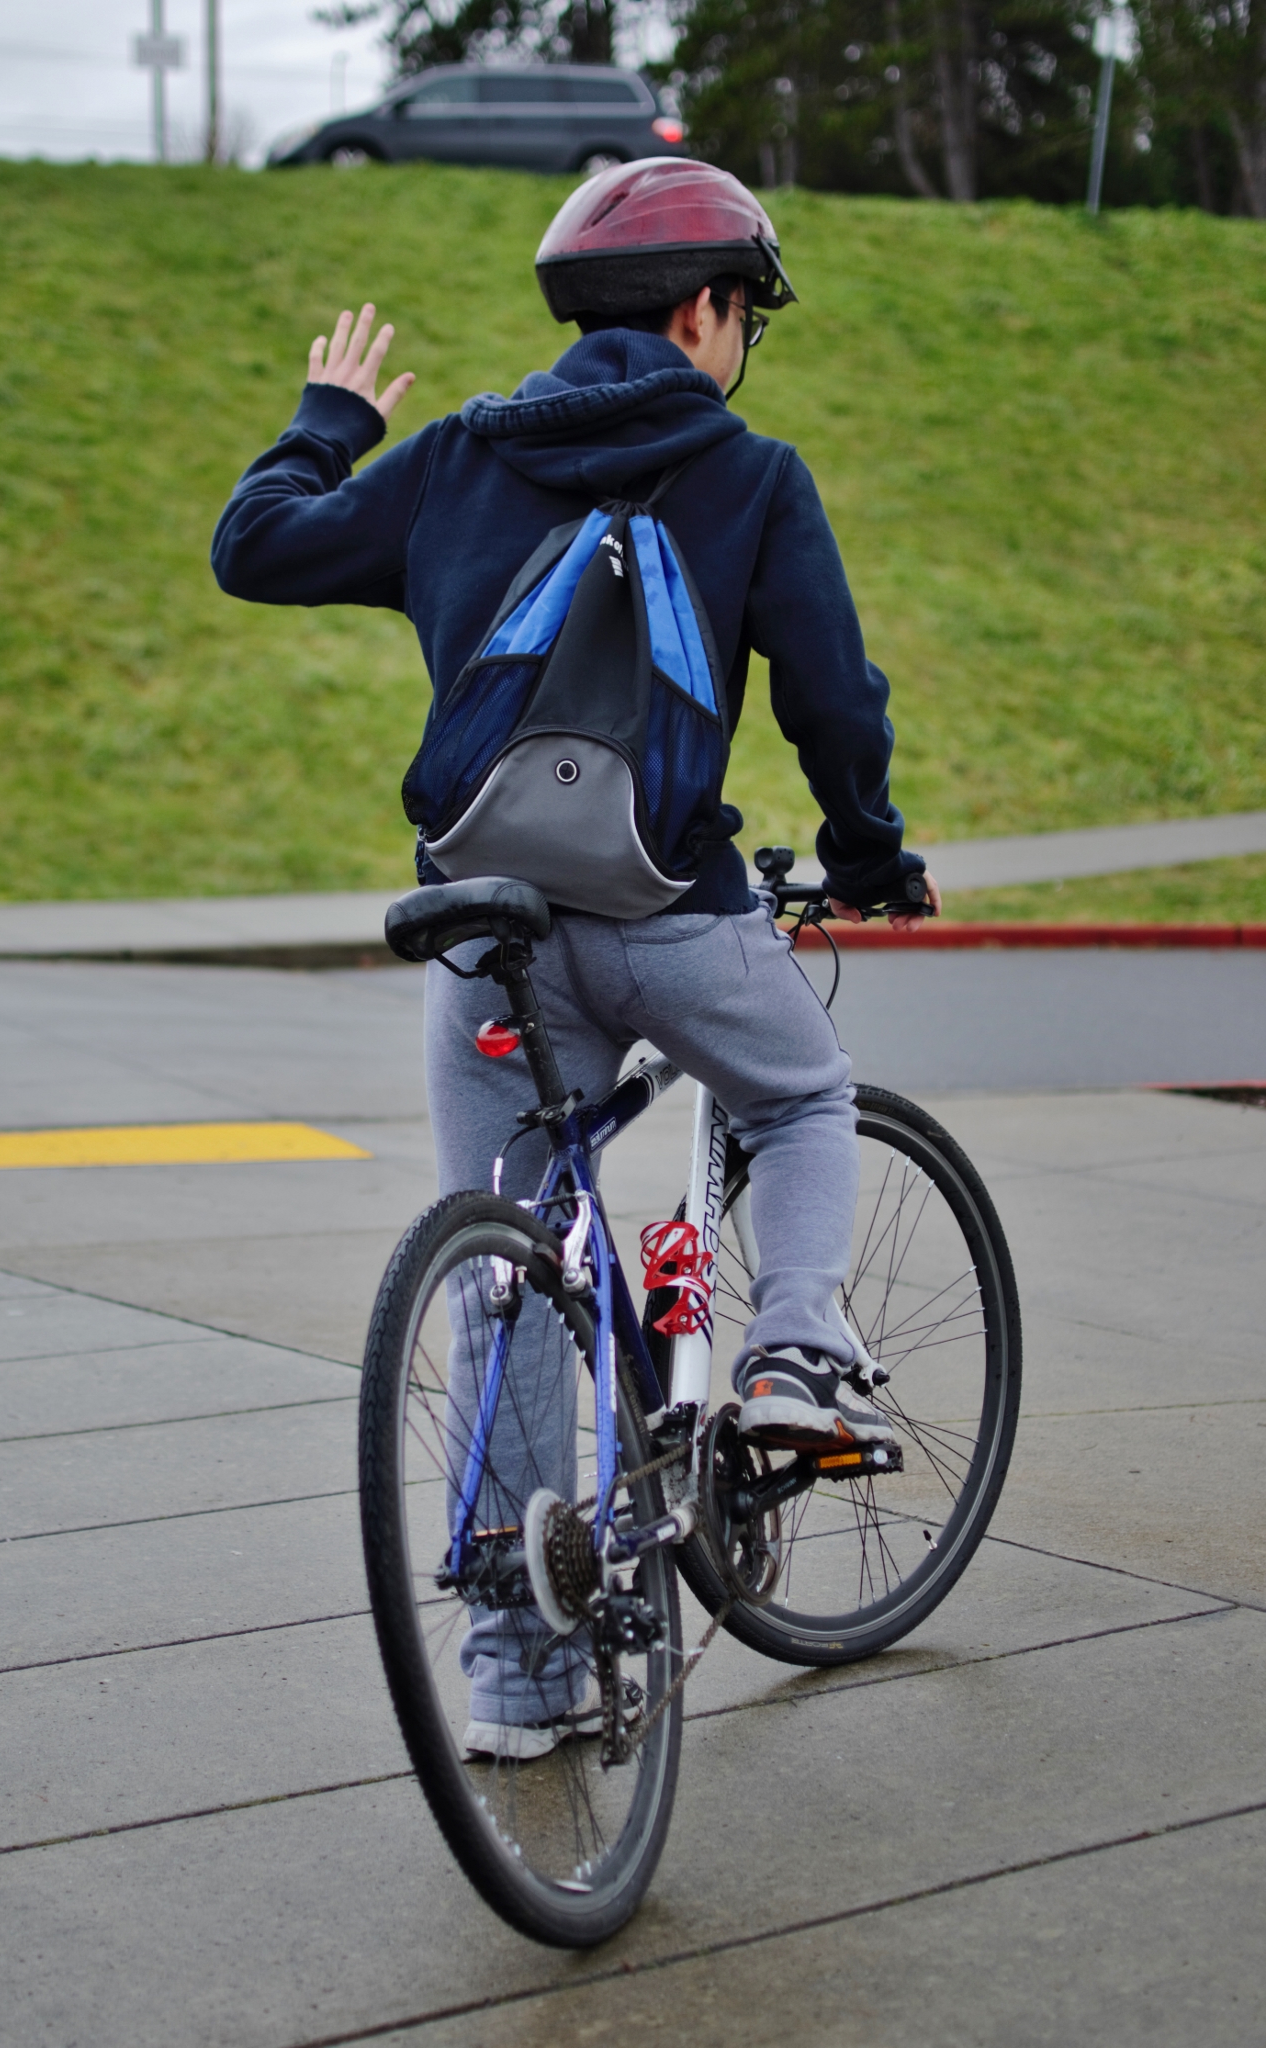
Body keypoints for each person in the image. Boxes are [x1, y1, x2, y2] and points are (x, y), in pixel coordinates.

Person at [212, 162, 941, 1701]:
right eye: (747, 317)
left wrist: (330, 421)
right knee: (804, 1096)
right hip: (672, 913)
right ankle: (794, 1356)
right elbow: (834, 708)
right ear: (703, 311)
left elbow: (256, 548)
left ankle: (518, 1683)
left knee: (509, 1261)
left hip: (489, 933)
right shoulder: (751, 475)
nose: (743, 344)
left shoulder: (457, 457)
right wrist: (870, 857)